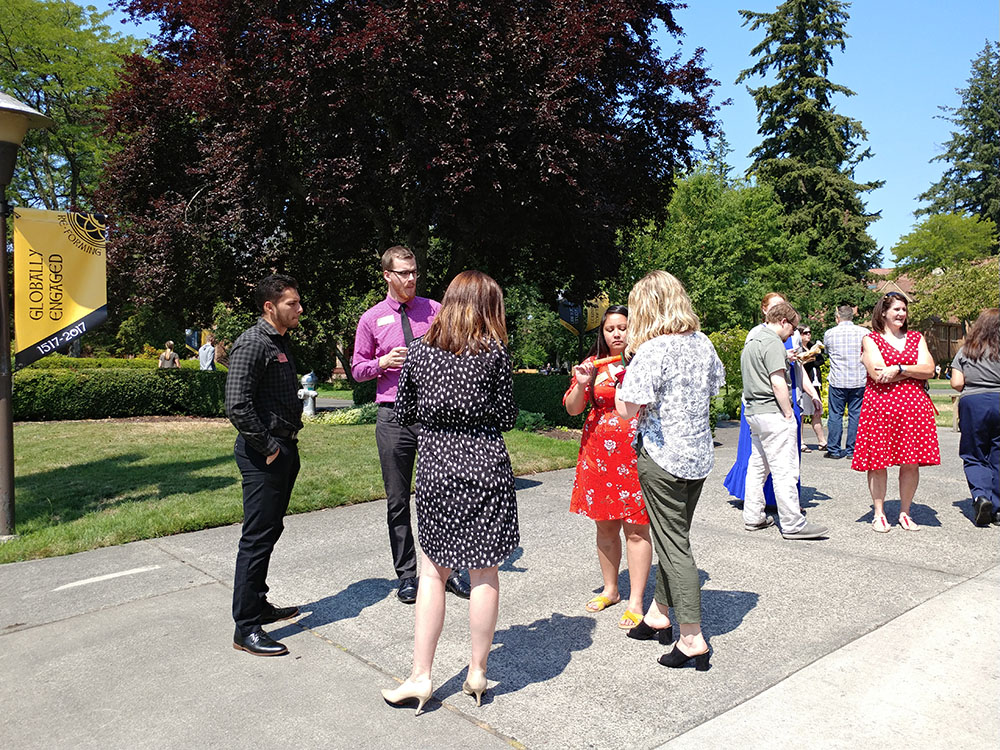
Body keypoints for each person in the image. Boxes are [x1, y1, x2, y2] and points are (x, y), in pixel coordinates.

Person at [381, 270, 519, 713]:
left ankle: (421, 676)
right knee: (484, 573)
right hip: (486, 467)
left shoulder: (419, 353)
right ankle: (477, 671)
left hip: (438, 467)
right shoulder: (495, 354)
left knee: (432, 574)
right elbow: (507, 416)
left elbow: (404, 411)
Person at [614, 271, 724, 670]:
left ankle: (692, 636)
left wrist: (621, 380)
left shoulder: (653, 350)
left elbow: (627, 409)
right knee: (674, 537)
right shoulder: (703, 344)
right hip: (698, 457)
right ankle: (659, 613)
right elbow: (713, 389)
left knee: (675, 545)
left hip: (662, 458)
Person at [352, 246, 470, 604]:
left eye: (414, 271)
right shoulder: (371, 319)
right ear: (387, 275)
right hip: (392, 416)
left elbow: (457, 349)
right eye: (403, 273)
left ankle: (448, 569)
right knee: (398, 499)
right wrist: (382, 362)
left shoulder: (434, 310)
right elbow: (357, 369)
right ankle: (407, 575)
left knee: (444, 493)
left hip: (432, 412)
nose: (411, 279)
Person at [226, 274, 304, 656]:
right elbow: (236, 404)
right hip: (264, 456)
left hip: (283, 451)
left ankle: (258, 605)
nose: (300, 309)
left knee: (269, 532)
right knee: (256, 539)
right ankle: (246, 627)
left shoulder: (279, 342)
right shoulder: (253, 343)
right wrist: (268, 446)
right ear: (269, 307)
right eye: (292, 304)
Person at [563, 305, 651, 629]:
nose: (616, 334)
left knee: (637, 529)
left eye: (623, 327)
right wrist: (583, 383)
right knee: (605, 527)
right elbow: (573, 409)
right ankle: (611, 589)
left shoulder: (643, 362)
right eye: (610, 328)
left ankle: (637, 600)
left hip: (634, 455)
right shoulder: (592, 365)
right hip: (598, 457)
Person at [852, 292, 939, 532]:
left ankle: (905, 512)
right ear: (883, 312)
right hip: (881, 407)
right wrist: (913, 371)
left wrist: (899, 368)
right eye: (896, 309)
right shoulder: (870, 339)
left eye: (904, 309)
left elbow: (930, 369)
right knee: (877, 461)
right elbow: (877, 373)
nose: (901, 314)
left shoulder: (916, 337)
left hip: (914, 409)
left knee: (911, 463)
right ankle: (879, 513)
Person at [741, 302, 829, 540]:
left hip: (754, 412)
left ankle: (753, 515)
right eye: (793, 327)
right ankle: (792, 523)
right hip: (773, 413)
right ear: (783, 322)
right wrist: (789, 414)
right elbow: (777, 382)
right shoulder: (773, 343)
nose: (795, 333)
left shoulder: (754, 340)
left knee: (758, 467)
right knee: (785, 470)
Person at [723, 292, 820, 504]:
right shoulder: (758, 334)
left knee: (782, 453)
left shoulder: (791, 334)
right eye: (776, 307)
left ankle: (775, 503)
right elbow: (757, 368)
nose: (780, 310)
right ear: (765, 310)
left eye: (783, 306)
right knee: (761, 457)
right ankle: (779, 511)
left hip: (788, 391)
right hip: (765, 397)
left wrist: (812, 393)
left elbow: (798, 369)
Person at [949, 308, 1000, 527]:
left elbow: (957, 383)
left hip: (974, 402)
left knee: (974, 453)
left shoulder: (966, 351)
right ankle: (998, 509)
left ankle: (981, 496)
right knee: (998, 454)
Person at [822, 304, 869, 459]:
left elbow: (827, 352)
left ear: (838, 317)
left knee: (836, 415)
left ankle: (834, 449)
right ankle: (852, 450)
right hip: (859, 379)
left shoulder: (829, 334)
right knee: (856, 415)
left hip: (838, 380)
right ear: (852, 316)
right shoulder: (864, 333)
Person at [797, 325, 825, 452]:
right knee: (802, 414)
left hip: (815, 383)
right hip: (804, 385)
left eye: (809, 332)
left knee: (817, 412)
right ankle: (801, 441)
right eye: (805, 333)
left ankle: (822, 441)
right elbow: (799, 364)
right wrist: (808, 358)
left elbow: (820, 361)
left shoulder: (813, 347)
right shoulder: (797, 349)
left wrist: (812, 355)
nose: (808, 335)